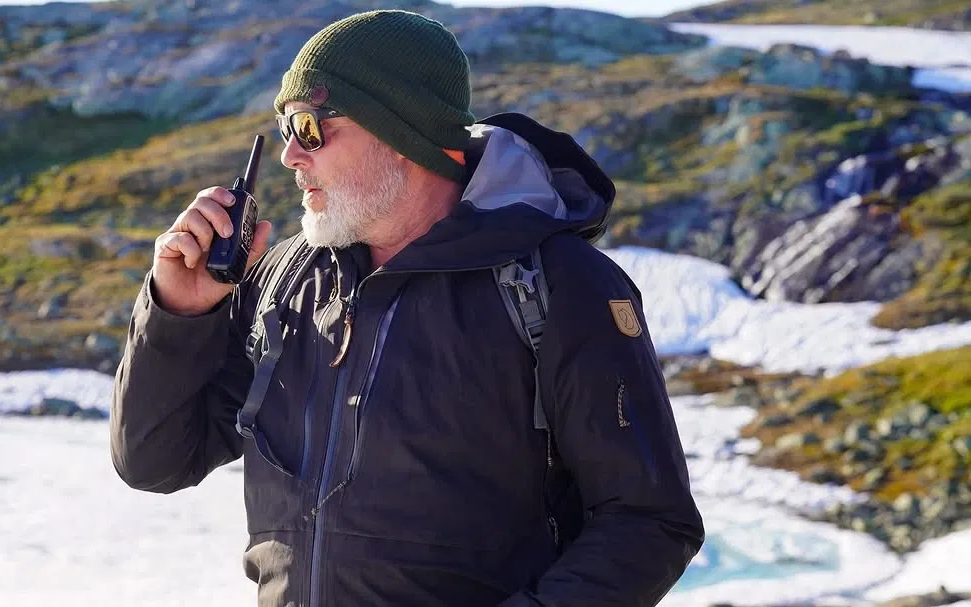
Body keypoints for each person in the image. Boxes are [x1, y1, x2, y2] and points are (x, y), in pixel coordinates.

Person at [110, 9, 704, 607]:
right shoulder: (281, 280)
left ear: (402, 130)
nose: (291, 155)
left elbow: (650, 521)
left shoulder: (558, 285)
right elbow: (155, 461)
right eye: (285, 127)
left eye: (310, 127)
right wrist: (177, 315)